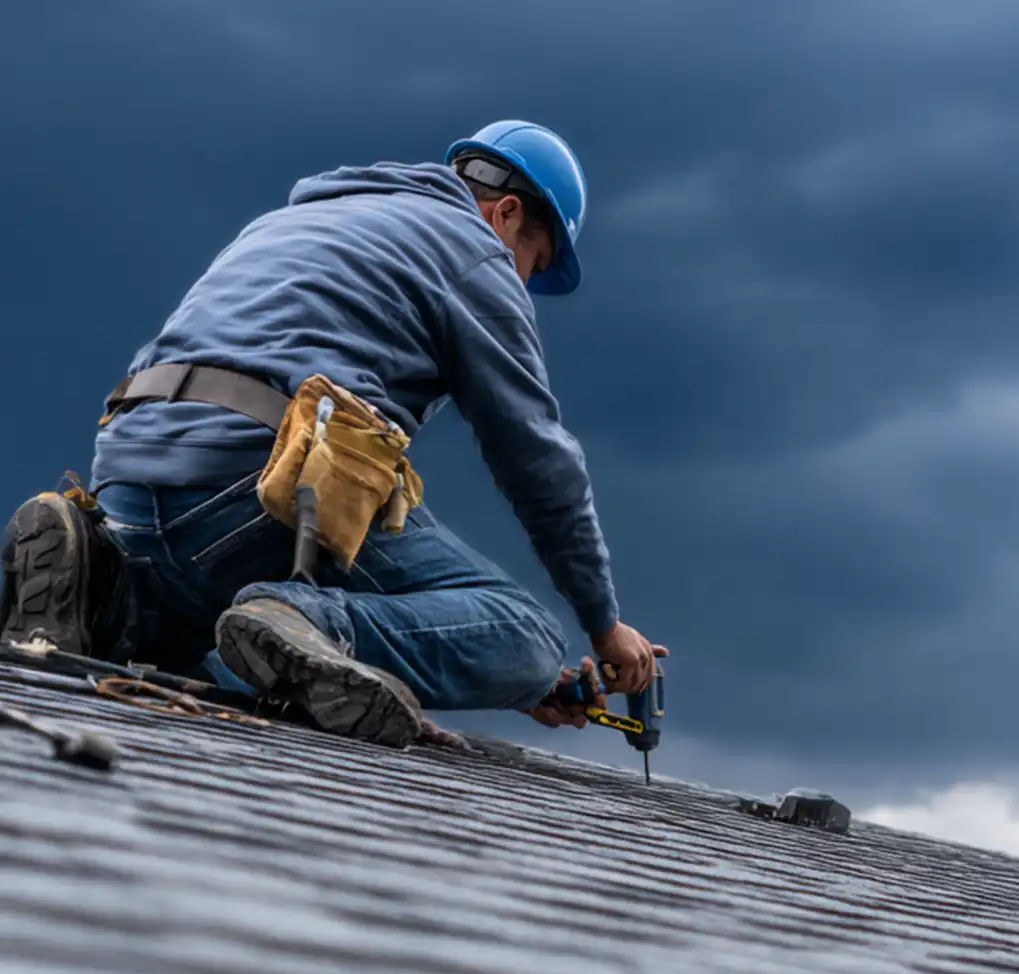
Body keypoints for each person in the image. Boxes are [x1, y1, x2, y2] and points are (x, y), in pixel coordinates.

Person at [0, 119, 666, 748]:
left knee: (214, 649)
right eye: (534, 259)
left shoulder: (298, 219)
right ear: (508, 214)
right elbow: (536, 457)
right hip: (257, 483)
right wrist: (604, 628)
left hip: (132, 484)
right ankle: (310, 624)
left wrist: (450, 651)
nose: (524, 280)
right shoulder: (473, 251)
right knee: (528, 639)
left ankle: (107, 590)